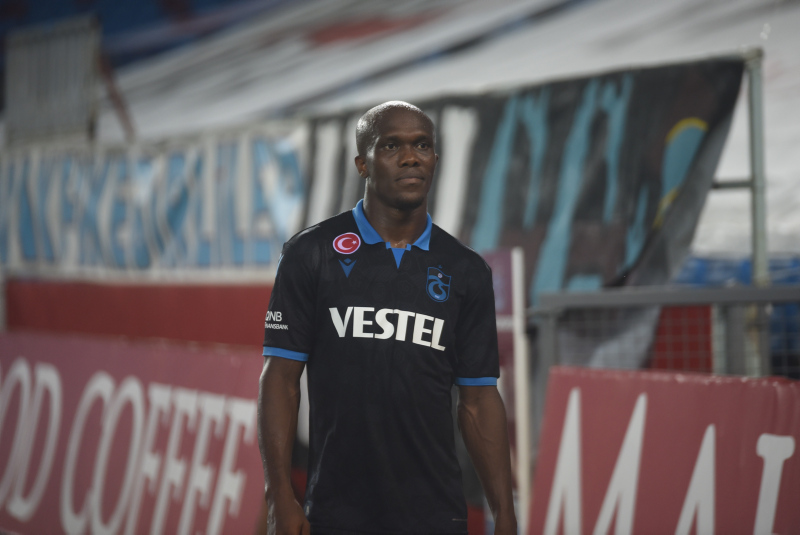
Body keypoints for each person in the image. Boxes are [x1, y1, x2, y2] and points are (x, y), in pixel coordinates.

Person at [258, 101, 517, 535]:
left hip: (436, 517)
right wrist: (279, 495)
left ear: (435, 159)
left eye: (422, 145)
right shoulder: (312, 253)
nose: (411, 157)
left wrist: (505, 512)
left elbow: (478, 401)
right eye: (391, 145)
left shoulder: (466, 271)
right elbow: (280, 378)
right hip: (336, 514)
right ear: (362, 163)